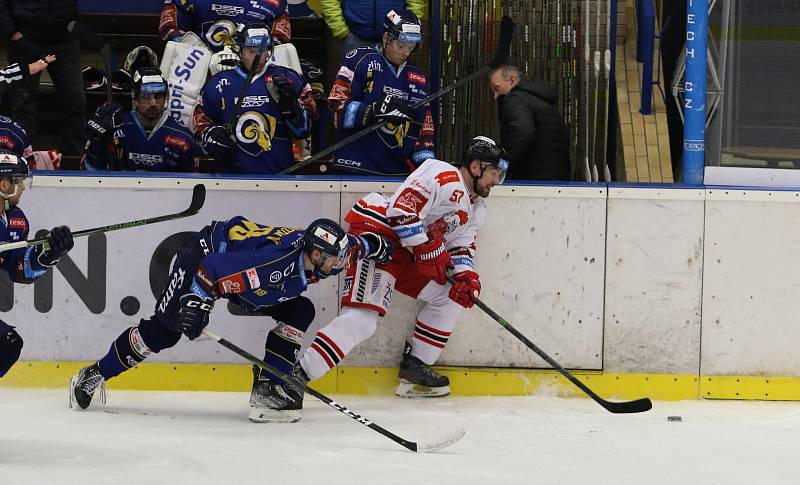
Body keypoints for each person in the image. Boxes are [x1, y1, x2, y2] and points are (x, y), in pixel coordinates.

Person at [68, 217, 391, 423]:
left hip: (240, 274)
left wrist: (370, 245)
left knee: (299, 310)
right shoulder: (275, 263)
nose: (341, 265)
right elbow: (212, 270)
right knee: (164, 333)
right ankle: (94, 373)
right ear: (317, 255)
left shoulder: (315, 252)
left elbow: (350, 247)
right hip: (203, 260)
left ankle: (269, 386)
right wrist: (195, 304)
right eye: (336, 260)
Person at [297, 135, 507, 405]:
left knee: (450, 295)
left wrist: (466, 275)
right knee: (362, 320)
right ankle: (295, 376)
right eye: (494, 173)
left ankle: (415, 368)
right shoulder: (441, 174)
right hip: (379, 237)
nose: (496, 181)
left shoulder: (476, 210)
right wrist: (428, 249)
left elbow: (461, 246)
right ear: (476, 167)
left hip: (408, 251)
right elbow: (401, 210)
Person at [193, 23, 317, 174]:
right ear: (240, 50)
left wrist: (292, 108)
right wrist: (210, 135)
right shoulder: (217, 83)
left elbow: (306, 129)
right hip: (230, 179)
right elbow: (199, 126)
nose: (258, 58)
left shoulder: (290, 79)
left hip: (280, 176)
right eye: (251, 51)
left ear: (269, 50)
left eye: (262, 51)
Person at [327, 8, 434, 176]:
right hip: (355, 166)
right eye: (401, 45)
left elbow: (423, 133)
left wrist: (430, 169)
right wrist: (373, 111)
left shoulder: (418, 78)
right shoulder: (359, 59)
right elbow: (334, 109)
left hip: (396, 173)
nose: (406, 53)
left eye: (411, 47)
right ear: (385, 38)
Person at [0, 152, 74, 378]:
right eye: (20, 181)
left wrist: (46, 256)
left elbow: (20, 271)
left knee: (8, 345)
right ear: (4, 184)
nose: (23, 188)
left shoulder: (15, 221)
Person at [0, 1, 86, 158]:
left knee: (75, 101)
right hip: (24, 38)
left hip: (64, 39)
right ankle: (23, 163)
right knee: (24, 105)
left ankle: (73, 163)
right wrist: (11, 32)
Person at [82, 67, 200, 172]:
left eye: (158, 96)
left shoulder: (183, 138)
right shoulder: (115, 128)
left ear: (166, 98)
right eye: (146, 96)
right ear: (135, 98)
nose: (153, 103)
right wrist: (97, 145)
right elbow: (94, 176)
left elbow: (190, 186)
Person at [489, 65, 571, 181]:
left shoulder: (515, 99)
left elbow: (522, 132)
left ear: (512, 80)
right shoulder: (541, 100)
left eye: (497, 88)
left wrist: (502, 166)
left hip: (533, 175)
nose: (495, 96)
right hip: (559, 173)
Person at [159, 0, 291, 52]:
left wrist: (247, 61)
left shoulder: (274, 2)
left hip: (251, 67)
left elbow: (279, 40)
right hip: (197, 65)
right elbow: (170, 29)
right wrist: (198, 54)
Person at [319, 0, 426, 52]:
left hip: (394, 38)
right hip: (354, 37)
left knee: (392, 89)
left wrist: (409, 27)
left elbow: (416, 2)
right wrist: (341, 30)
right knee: (352, 87)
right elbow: (329, 2)